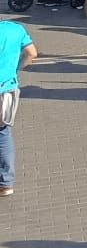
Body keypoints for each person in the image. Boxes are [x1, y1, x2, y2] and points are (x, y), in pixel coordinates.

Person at [0, 16, 37, 196]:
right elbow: (32, 53)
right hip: (8, 90)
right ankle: (6, 183)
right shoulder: (15, 29)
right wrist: (16, 69)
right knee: (3, 133)